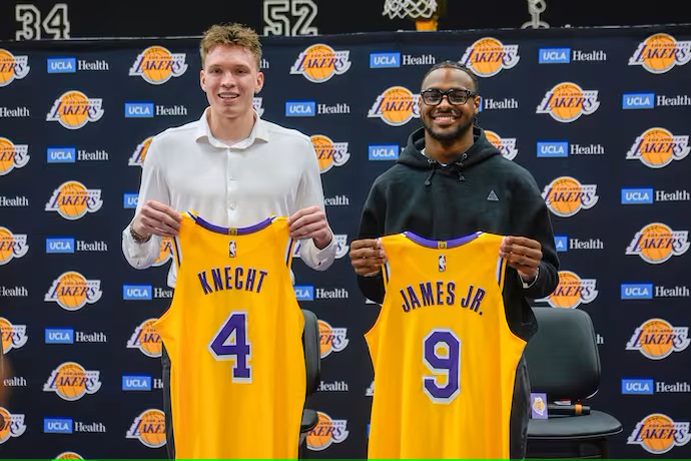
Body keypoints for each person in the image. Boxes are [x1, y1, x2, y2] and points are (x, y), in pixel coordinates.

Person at [121, 23, 336, 458]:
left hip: (270, 331)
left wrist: (325, 238)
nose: (228, 82)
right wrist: (140, 229)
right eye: (217, 71)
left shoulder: (296, 148)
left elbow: (319, 257)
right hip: (194, 331)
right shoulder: (165, 147)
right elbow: (139, 257)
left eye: (240, 71)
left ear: (258, 79)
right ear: (202, 78)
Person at [349, 60, 559, 459]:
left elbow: (549, 277)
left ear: (475, 104)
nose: (444, 103)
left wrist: (531, 272)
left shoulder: (513, 180)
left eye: (457, 95)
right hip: (412, 362)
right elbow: (376, 289)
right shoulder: (390, 185)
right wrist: (368, 270)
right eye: (433, 95)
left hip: (494, 362)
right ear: (420, 104)